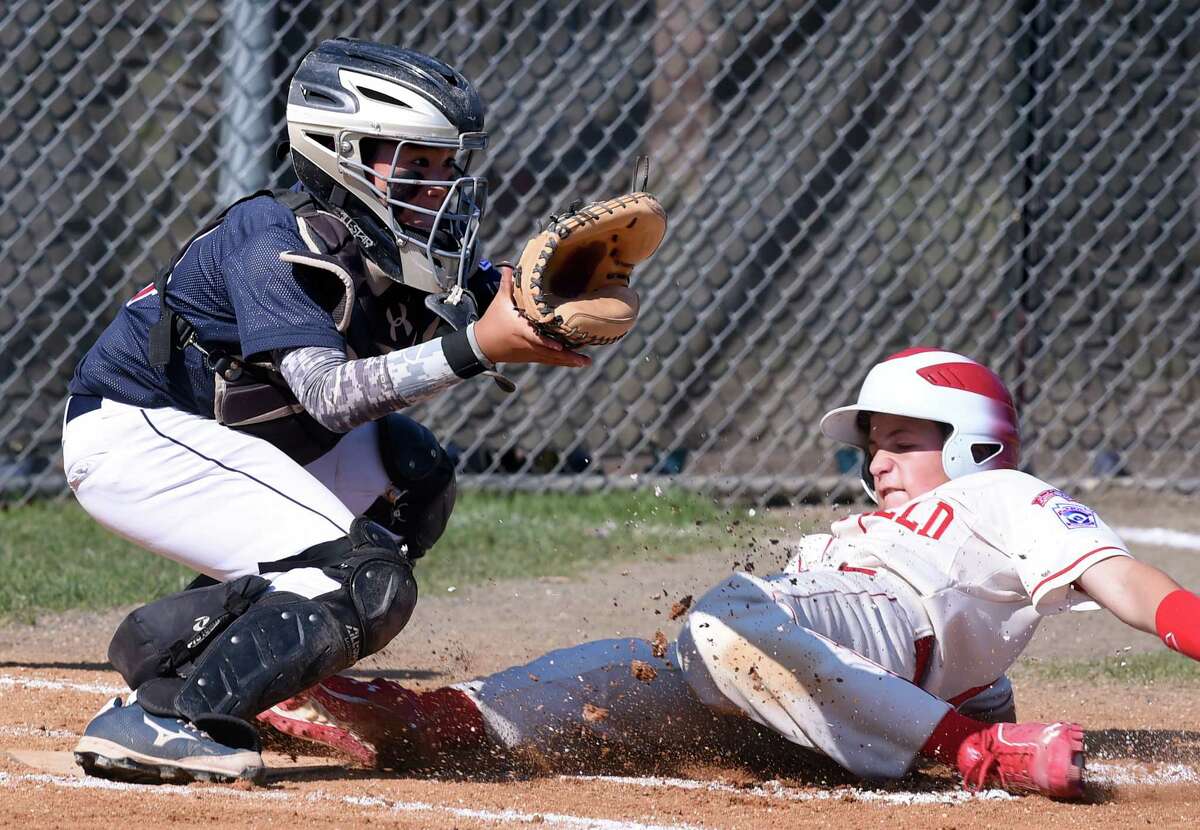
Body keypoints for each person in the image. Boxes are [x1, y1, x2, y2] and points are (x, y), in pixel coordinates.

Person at [260, 347, 1200, 799]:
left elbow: (1128, 585)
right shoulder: (868, 525)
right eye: (872, 448)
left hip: (865, 625)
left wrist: (977, 718)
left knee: (721, 620)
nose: (878, 463)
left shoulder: (1005, 495)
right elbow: (979, 671)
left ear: (977, 444)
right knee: (609, 675)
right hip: (790, 664)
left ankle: (977, 756)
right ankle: (411, 716)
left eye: (904, 442)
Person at [64, 37, 590, 785]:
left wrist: (564, 292)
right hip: (136, 435)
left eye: (446, 167)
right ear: (342, 155)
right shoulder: (270, 239)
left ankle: (181, 654)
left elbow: (497, 292)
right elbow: (331, 396)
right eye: (414, 166)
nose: (438, 189)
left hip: (242, 435)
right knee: (365, 583)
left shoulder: (396, 244)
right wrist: (476, 347)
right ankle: (165, 717)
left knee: (415, 476)